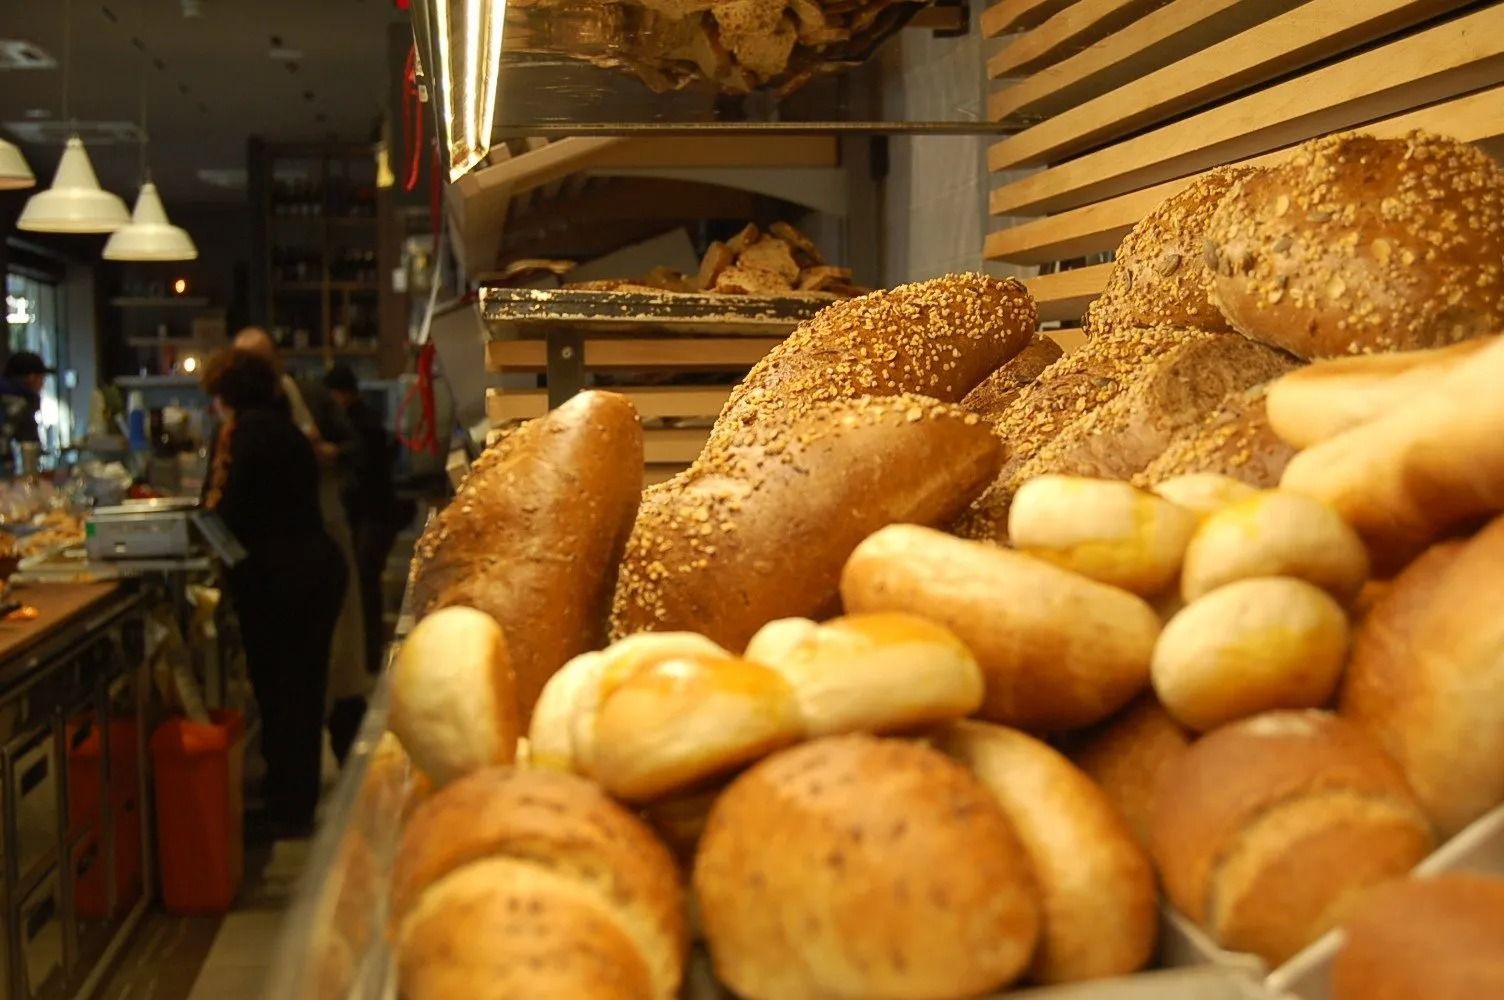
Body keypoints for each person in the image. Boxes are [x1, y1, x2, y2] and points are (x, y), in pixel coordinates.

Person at [201, 349, 345, 836]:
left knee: (282, 693)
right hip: (313, 570)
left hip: (283, 581)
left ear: (227, 395)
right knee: (303, 692)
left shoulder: (247, 434)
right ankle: (294, 799)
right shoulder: (284, 429)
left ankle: (288, 809)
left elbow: (232, 511)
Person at [231, 328, 371, 763]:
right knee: (299, 674)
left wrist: (328, 453)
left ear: (276, 361)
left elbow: (356, 448)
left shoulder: (309, 397)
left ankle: (348, 751)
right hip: (276, 549)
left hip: (324, 528)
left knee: (340, 658)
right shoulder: (246, 415)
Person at [323, 363, 403, 674]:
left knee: (365, 585)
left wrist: (334, 454)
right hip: (379, 514)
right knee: (367, 585)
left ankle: (369, 658)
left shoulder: (357, 423)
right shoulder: (364, 418)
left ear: (340, 394)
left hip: (374, 515)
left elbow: (361, 467)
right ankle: (369, 656)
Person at [0, 351, 51, 465]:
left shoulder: (6, 400)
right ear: (31, 378)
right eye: (41, 379)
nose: (42, 385)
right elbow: (29, 447)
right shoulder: (20, 406)